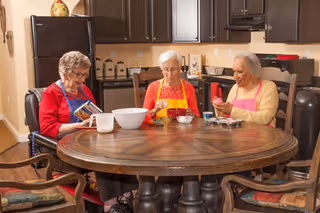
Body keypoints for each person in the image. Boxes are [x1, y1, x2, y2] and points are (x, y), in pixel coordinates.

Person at [39, 51, 138, 213]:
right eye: (78, 74)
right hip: (67, 141)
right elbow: (48, 128)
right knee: (102, 155)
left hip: (89, 136)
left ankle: (127, 195)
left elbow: (95, 113)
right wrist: (78, 126)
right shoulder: (51, 93)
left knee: (120, 148)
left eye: (84, 75)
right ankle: (110, 203)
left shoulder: (84, 90)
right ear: (65, 73)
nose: (82, 79)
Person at [212, 51, 279, 127]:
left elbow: (265, 118)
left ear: (253, 72)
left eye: (240, 72)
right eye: (234, 71)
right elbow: (226, 119)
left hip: (262, 136)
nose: (235, 77)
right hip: (237, 136)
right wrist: (220, 108)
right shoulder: (235, 88)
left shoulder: (268, 87)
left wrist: (232, 110)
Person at [143, 50, 200, 120]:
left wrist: (191, 115)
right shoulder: (153, 87)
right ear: (162, 70)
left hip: (183, 130)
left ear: (179, 68)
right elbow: (144, 117)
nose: (169, 74)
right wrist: (155, 110)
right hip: (159, 130)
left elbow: (197, 117)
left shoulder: (188, 87)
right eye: (166, 69)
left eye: (173, 69)